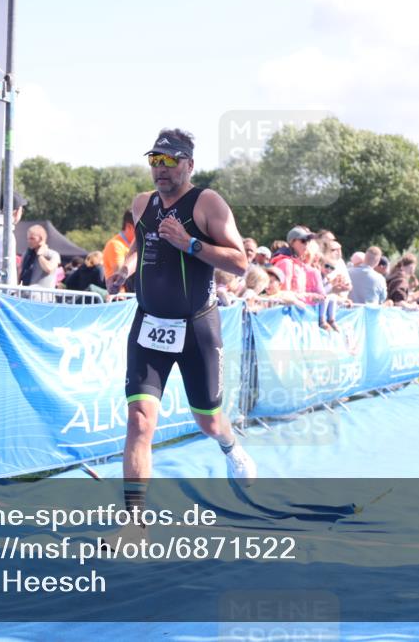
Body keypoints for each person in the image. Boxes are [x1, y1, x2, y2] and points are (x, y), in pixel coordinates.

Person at [105, 129, 256, 539]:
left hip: (196, 328)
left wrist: (190, 244)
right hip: (149, 324)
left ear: (189, 163)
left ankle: (229, 445)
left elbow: (241, 262)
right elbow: (142, 247)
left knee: (207, 421)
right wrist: (125, 271)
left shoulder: (207, 203)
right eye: (155, 160)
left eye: (170, 161)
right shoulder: (142, 204)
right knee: (139, 421)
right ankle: (134, 522)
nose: (161, 169)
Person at [18, 224, 60, 289]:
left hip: (43, 296)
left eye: (32, 238)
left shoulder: (53, 254)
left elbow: (49, 269)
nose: (29, 241)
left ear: (41, 239)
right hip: (25, 294)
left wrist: (40, 255)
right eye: (28, 238)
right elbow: (20, 273)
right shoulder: (27, 254)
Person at [103, 210, 136, 292]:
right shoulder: (116, 245)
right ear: (129, 226)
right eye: (138, 227)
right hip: (121, 298)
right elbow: (118, 275)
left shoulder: (130, 244)